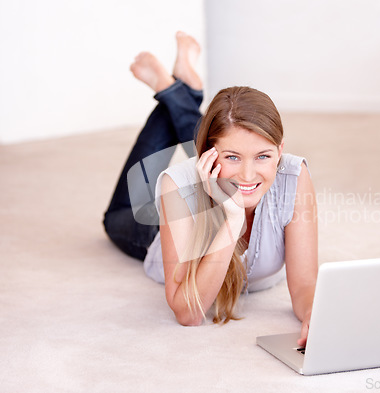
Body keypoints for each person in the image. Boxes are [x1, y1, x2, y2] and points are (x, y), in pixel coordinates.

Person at [103, 32, 318, 346]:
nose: (248, 175)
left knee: (230, 137)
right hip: (153, 228)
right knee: (115, 216)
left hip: (206, 169)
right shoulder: (177, 184)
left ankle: (176, 91)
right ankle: (177, 91)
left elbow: (303, 287)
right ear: (206, 156)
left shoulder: (293, 175)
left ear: (280, 150)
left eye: (263, 156)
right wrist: (231, 219)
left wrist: (315, 313)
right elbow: (188, 314)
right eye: (231, 157)